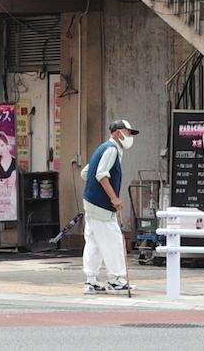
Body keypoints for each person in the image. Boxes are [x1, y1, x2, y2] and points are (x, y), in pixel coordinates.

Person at [81, 119, 137, 295]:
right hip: (101, 205)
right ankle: (117, 279)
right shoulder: (112, 150)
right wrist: (114, 198)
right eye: (128, 133)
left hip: (91, 202)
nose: (129, 137)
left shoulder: (102, 148)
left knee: (94, 242)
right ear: (118, 133)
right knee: (113, 240)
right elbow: (101, 174)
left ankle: (91, 280)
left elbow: (86, 173)